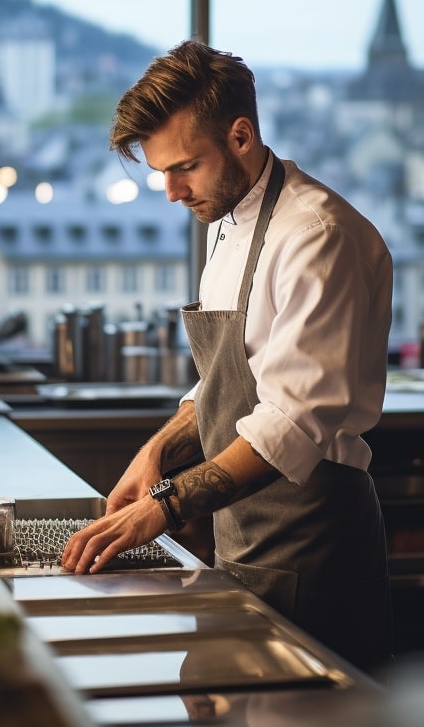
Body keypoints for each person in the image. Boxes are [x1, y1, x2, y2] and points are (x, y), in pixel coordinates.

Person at [60, 39, 394, 675]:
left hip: (314, 552)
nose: (171, 191)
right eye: (161, 171)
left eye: (185, 167)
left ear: (241, 136)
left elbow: (289, 423)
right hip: (241, 542)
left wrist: (163, 506)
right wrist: (157, 454)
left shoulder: (317, 236)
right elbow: (226, 382)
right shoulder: (227, 219)